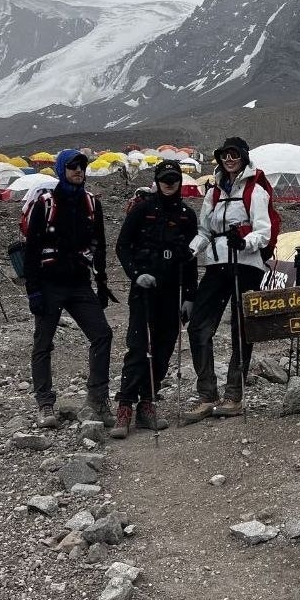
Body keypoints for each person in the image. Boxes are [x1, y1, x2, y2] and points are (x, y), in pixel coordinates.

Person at [24, 149, 115, 428]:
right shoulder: (46, 204)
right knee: (43, 342)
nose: (78, 170)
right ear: (61, 169)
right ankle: (45, 404)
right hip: (49, 283)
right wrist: (33, 291)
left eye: (82, 166)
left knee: (102, 334)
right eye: (72, 166)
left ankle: (97, 399)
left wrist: (101, 284)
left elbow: (99, 245)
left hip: (79, 283)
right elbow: (32, 249)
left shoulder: (91, 203)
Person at [184, 137, 271, 422]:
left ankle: (234, 394)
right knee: (199, 326)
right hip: (217, 263)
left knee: (241, 329)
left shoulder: (255, 191)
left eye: (234, 154)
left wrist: (244, 242)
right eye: (225, 155)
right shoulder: (213, 193)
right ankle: (207, 395)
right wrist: (191, 250)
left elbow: (264, 231)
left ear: (243, 157)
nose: (229, 159)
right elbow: (204, 230)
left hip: (247, 264)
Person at [110, 160, 198, 438]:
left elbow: (192, 259)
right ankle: (125, 407)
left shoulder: (187, 215)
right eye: (164, 179)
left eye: (173, 178)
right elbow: (122, 246)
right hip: (145, 290)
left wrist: (190, 296)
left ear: (180, 181)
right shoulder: (141, 209)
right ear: (157, 181)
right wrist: (136, 275)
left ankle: (147, 404)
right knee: (139, 347)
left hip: (173, 292)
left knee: (163, 349)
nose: (169, 183)